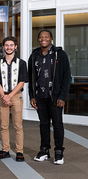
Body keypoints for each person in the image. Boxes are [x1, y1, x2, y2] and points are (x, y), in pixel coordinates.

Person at [28, 30, 71, 165]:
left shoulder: (60, 54)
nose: (43, 39)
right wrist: (32, 96)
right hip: (40, 96)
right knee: (43, 125)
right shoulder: (34, 55)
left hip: (55, 97)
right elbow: (31, 77)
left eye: (46, 37)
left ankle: (59, 152)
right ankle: (44, 150)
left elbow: (66, 77)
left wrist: (63, 96)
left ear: (51, 39)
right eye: (41, 37)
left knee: (57, 125)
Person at [0, 37, 28, 162]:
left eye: (11, 45)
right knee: (3, 126)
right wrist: (4, 96)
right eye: (6, 45)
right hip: (2, 96)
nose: (9, 47)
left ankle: (19, 152)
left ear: (15, 47)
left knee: (18, 125)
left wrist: (9, 96)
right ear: (3, 47)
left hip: (16, 96)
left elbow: (22, 82)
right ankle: (5, 150)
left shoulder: (21, 63)